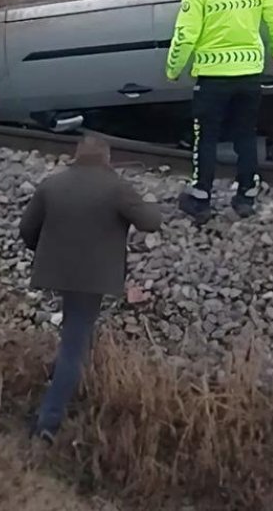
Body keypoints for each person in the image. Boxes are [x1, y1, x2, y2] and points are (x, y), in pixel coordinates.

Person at [19, 134, 162, 441]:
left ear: (77, 155)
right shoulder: (116, 188)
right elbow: (151, 222)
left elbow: (27, 230)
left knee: (73, 330)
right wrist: (148, 201)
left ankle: (57, 380)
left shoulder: (52, 184)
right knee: (75, 343)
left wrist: (47, 254)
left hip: (57, 272)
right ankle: (48, 423)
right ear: (107, 158)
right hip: (93, 278)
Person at [165, 0, 273, 223]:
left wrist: (173, 68)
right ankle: (246, 195)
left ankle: (201, 198)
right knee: (245, 134)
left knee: (205, 137)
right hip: (249, 73)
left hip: (212, 77)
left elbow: (186, 34)